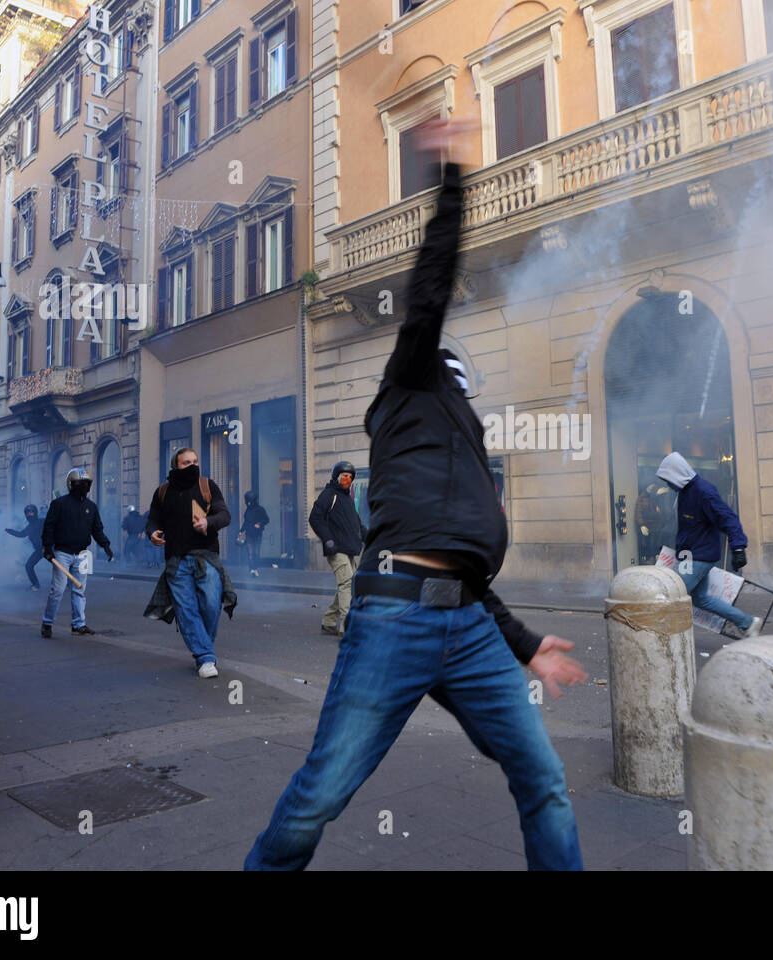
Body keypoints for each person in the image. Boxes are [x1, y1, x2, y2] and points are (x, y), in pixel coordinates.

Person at [246, 120, 587, 871]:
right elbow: (430, 287)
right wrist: (453, 182)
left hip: (467, 623)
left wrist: (527, 646)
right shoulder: (409, 385)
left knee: (544, 780)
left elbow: (464, 563)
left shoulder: (463, 437)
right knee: (320, 794)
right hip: (394, 613)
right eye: (456, 376)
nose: (462, 387)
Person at [143, 448, 236, 679]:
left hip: (206, 557)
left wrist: (209, 522)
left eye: (195, 461)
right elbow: (153, 519)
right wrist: (153, 532)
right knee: (186, 610)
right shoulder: (163, 492)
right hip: (176, 560)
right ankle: (205, 657)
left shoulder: (208, 486)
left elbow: (225, 514)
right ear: (176, 466)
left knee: (211, 605)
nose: (192, 465)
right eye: (186, 463)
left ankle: (202, 645)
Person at [655, 452, 759, 639]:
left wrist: (738, 547)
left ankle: (660, 637)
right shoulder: (684, 492)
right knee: (702, 599)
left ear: (677, 474)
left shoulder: (703, 492)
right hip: (691, 554)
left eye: (668, 479)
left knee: (674, 594)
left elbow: (728, 518)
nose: (667, 484)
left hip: (699, 556)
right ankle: (748, 623)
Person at [40, 468, 112, 638]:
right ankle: (47, 622)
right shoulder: (59, 504)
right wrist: (48, 548)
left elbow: (97, 529)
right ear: (71, 484)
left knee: (80, 590)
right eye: (80, 483)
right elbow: (49, 527)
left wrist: (106, 545)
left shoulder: (91, 507)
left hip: (83, 554)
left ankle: (78, 624)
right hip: (62, 553)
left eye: (86, 483)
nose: (84, 486)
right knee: (57, 590)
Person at [308, 462, 364, 636]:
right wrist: (328, 539)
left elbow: (358, 524)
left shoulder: (347, 498)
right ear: (336, 477)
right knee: (347, 583)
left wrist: (374, 537)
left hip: (348, 549)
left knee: (349, 584)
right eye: (344, 476)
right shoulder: (329, 494)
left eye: (350, 477)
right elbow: (315, 518)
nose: (347, 479)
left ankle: (329, 621)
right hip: (336, 549)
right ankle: (347, 627)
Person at [5, 504, 46, 589]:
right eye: (28, 513)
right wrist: (9, 531)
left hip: (48, 549)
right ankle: (35, 584)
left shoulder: (43, 521)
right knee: (28, 566)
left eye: (31, 513)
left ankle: (69, 582)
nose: (29, 515)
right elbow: (21, 534)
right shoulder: (29, 527)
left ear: (35, 513)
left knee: (60, 565)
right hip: (39, 551)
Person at [239, 491, 270, 576]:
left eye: (248, 500)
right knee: (250, 552)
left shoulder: (260, 510)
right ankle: (252, 569)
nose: (247, 503)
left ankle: (255, 568)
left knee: (256, 552)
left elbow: (267, 520)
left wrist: (259, 524)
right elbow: (246, 522)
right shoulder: (248, 510)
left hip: (257, 534)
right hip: (249, 534)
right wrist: (241, 531)